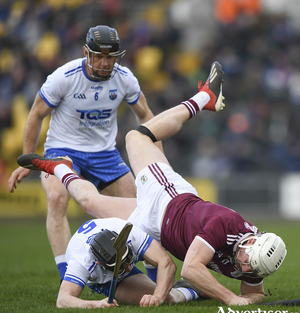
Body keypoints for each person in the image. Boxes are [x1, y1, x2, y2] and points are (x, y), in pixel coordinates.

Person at [16, 61, 287, 306]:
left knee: (90, 203)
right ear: (250, 241)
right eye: (248, 264)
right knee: (136, 137)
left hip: (155, 227)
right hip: (167, 199)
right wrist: (230, 298)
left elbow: (254, 292)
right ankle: (204, 97)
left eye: (251, 269)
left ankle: (60, 169)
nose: (245, 269)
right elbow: (191, 269)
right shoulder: (228, 225)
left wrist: (252, 299)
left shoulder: (256, 260)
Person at [8, 25, 162, 282]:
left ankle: (157, 275)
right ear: (85, 53)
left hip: (105, 154)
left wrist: (158, 161)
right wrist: (27, 159)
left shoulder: (124, 78)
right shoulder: (64, 77)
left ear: (117, 56)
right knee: (57, 199)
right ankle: (67, 275)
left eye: (109, 57)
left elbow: (147, 116)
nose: (104, 63)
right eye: (98, 56)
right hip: (62, 151)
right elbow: (35, 114)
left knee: (143, 208)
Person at [56, 217, 199, 308]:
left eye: (128, 263)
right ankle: (188, 290)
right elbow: (63, 300)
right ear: (100, 265)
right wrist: (97, 304)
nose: (129, 268)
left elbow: (165, 262)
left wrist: (157, 297)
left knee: (160, 296)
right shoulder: (82, 261)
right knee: (170, 299)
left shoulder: (129, 233)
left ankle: (155, 273)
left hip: (132, 247)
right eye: (122, 267)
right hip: (106, 279)